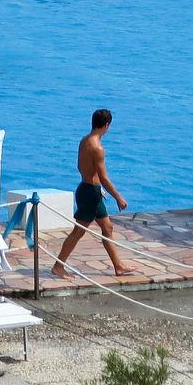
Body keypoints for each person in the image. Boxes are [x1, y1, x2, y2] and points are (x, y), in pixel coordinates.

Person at [52, 109, 132, 278]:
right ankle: (58, 266)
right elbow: (103, 177)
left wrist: (95, 185)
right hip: (90, 194)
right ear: (107, 125)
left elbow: (81, 167)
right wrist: (118, 197)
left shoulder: (84, 141)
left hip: (87, 189)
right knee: (78, 232)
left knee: (107, 227)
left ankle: (118, 266)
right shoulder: (98, 148)